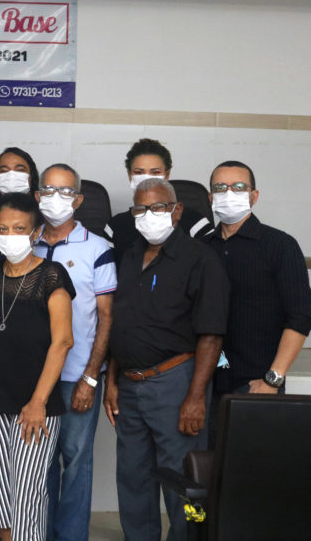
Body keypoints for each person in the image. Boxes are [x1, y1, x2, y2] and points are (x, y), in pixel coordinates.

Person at [104, 178, 228, 541]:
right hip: (130, 385)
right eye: (140, 209)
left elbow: (212, 335)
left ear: (176, 211)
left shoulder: (200, 259)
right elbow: (120, 324)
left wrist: (195, 397)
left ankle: (191, 537)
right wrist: (112, 381)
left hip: (176, 384)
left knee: (186, 481)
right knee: (133, 476)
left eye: (158, 207)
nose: (149, 215)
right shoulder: (130, 256)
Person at [0, 192, 74, 541]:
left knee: (28, 496)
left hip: (34, 404)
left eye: (19, 228)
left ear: (36, 232)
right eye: (3, 228)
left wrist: (38, 402)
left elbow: (63, 342)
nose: (9, 235)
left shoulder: (52, 275)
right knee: (2, 497)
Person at [32, 164, 116, 541]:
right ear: (37, 196)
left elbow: (106, 317)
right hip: (33, 378)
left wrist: (90, 377)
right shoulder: (25, 242)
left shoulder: (97, 249)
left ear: (78, 200)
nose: (56, 198)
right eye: (49, 190)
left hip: (77, 375)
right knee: (39, 463)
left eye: (65, 191)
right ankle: (41, 533)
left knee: (77, 461)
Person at [204, 162, 310, 411]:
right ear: (210, 197)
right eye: (220, 187)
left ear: (254, 196)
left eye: (239, 187)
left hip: (258, 383)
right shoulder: (202, 248)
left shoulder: (280, 245)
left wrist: (273, 379)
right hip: (207, 381)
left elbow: (300, 317)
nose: (229, 193)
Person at [104, 138, 214, 266]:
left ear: (166, 175)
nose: (147, 178)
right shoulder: (115, 227)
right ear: (130, 175)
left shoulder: (195, 222)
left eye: (155, 172)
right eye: (139, 172)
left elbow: (211, 266)